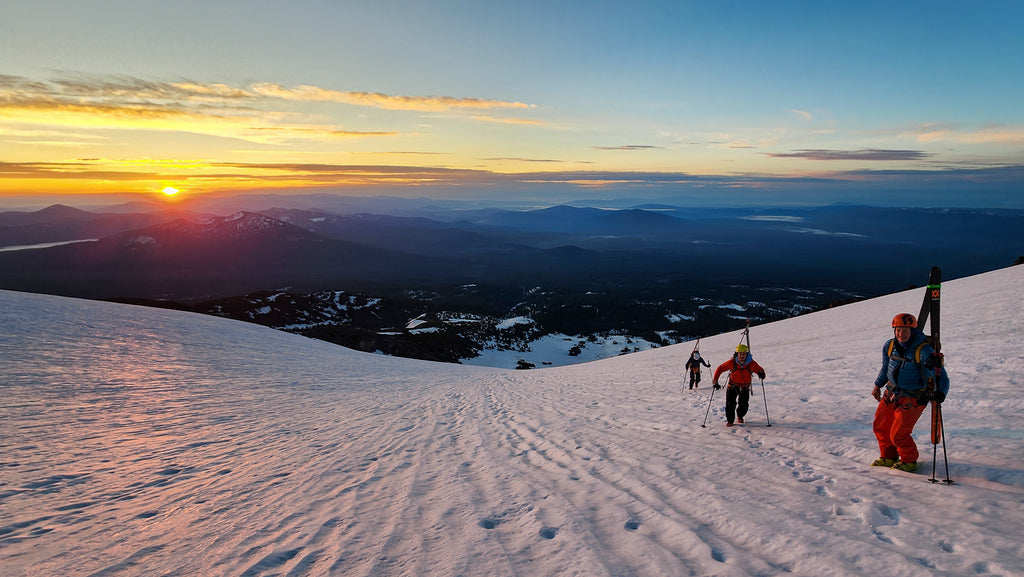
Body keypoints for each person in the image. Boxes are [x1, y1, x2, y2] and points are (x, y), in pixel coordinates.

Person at [871, 313, 950, 472]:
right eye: (898, 330)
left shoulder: (924, 351)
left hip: (914, 398)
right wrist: (877, 385)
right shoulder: (890, 346)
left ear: (912, 330)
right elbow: (886, 368)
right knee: (881, 426)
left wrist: (940, 393)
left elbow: (942, 376)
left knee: (898, 434)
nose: (901, 334)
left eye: (905, 330)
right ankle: (888, 456)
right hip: (891, 393)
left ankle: (909, 460)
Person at [713, 344, 766, 426]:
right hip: (732, 385)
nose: (741, 356)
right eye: (740, 353)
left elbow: (760, 370)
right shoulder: (732, 362)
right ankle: (730, 421)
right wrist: (715, 380)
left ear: (746, 354)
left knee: (744, 405)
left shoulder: (751, 363)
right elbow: (720, 368)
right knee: (730, 404)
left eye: (743, 354)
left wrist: (761, 374)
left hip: (744, 387)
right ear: (737, 354)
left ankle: (740, 416)